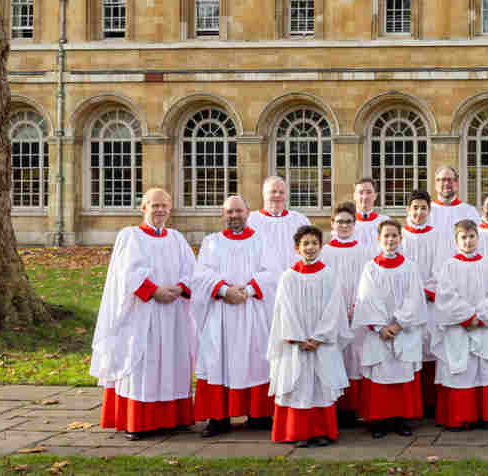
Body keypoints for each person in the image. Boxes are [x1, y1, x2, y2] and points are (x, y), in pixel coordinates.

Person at [92, 188, 196, 441]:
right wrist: (153, 290)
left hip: (173, 313)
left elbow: (192, 270)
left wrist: (181, 287)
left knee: (173, 362)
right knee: (142, 362)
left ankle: (173, 419)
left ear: (170, 209)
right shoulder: (131, 237)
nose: (159, 210)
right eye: (154, 205)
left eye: (164, 206)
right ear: (143, 207)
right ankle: (137, 421)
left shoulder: (177, 238)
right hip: (142, 313)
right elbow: (126, 273)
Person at [191, 195, 276, 438]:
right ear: (223, 214)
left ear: (247, 212)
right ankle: (219, 418)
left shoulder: (262, 241)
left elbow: (271, 273)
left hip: (252, 310)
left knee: (256, 359)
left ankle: (258, 414)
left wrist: (248, 290)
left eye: (238, 211)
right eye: (229, 212)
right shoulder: (211, 242)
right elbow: (201, 275)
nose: (234, 216)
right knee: (219, 359)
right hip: (221, 312)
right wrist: (224, 290)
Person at [266, 225, 351, 448]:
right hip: (297, 344)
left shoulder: (329, 275)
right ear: (297, 248)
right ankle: (298, 432)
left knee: (320, 385)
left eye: (314, 243)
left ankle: (321, 431)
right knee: (299, 384)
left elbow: (334, 309)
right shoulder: (288, 276)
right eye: (305, 243)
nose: (310, 247)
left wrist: (319, 337)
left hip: (321, 343)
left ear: (320, 246)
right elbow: (284, 309)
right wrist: (298, 338)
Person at [354, 219, 428, 438]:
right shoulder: (370, 268)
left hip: (403, 330)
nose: (390, 240)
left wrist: (398, 323)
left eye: (394, 235)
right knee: (380, 376)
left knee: (402, 375)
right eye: (386, 236)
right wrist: (380, 327)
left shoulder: (410, 267)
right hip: (379, 333)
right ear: (379, 238)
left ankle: (401, 419)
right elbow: (366, 298)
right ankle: (378, 421)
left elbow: (414, 298)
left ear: (400, 238)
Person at [431, 220, 488, 431]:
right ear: (456, 240)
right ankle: (459, 417)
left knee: (481, 368)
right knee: (460, 368)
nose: (468, 241)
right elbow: (445, 296)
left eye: (472, 236)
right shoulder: (449, 266)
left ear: (478, 238)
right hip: (458, 328)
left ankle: (483, 416)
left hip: (481, 325)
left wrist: (480, 316)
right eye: (463, 237)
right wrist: (467, 317)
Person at [318, 203, 375, 424]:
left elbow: (369, 283)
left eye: (348, 222)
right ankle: (337, 408)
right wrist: (337, 310)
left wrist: (356, 308)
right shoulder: (324, 252)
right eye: (339, 221)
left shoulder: (365, 251)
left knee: (356, 357)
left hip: (357, 312)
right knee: (335, 356)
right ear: (332, 224)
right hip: (333, 313)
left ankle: (355, 408)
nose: (344, 225)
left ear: (355, 224)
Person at [399, 190, 450, 413]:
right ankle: (410, 403)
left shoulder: (438, 236)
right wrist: (410, 296)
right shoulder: (399, 236)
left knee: (430, 348)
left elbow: (441, 268)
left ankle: (429, 403)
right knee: (408, 348)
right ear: (408, 210)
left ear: (429, 211)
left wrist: (428, 291)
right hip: (405, 305)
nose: (419, 212)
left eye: (423, 208)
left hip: (430, 303)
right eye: (415, 208)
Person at [248, 176, 314, 275]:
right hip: (261, 282)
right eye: (273, 191)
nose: (278, 195)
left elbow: (311, 251)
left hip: (294, 278)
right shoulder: (250, 221)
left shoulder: (300, 220)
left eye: (281, 192)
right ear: (264, 194)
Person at [352, 177, 390, 251]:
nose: (365, 197)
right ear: (354, 196)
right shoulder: (346, 222)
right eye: (361, 192)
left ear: (375, 196)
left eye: (369, 192)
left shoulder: (384, 221)